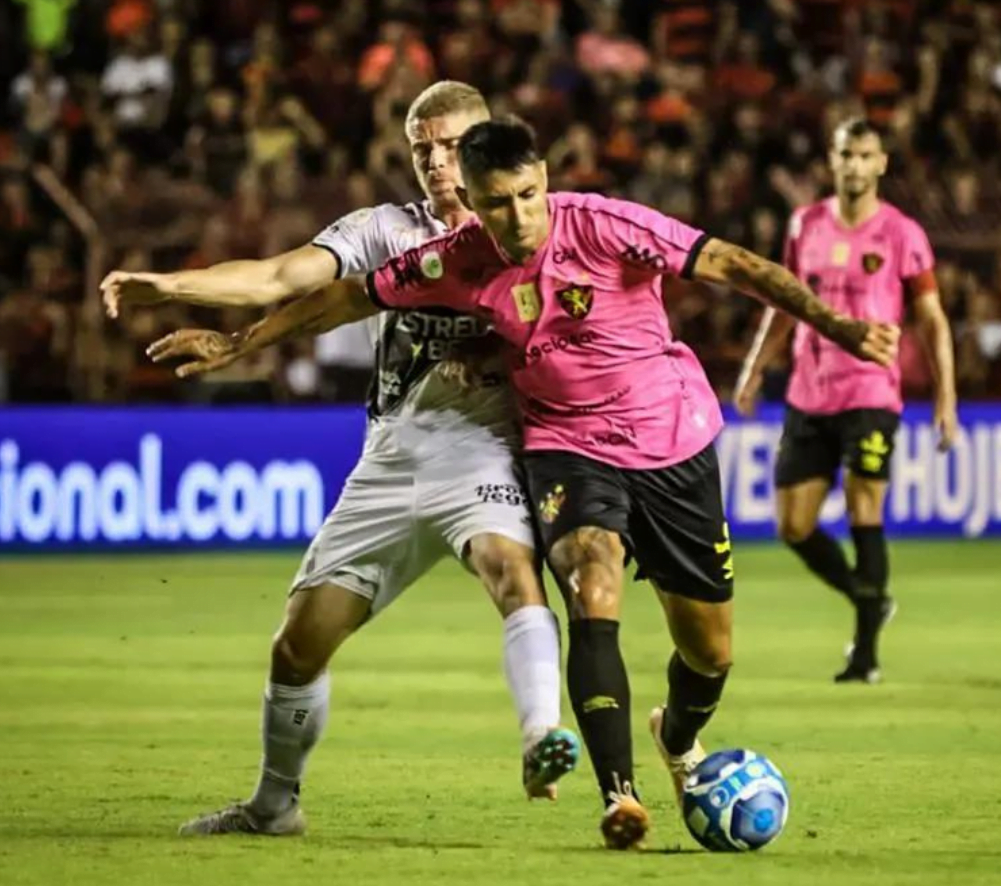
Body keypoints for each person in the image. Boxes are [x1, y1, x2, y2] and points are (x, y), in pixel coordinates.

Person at [167, 115, 898, 848]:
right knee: (589, 579)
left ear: (543, 178)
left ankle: (676, 736)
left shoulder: (606, 225)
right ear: (475, 202)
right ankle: (621, 798)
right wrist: (240, 342)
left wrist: (835, 327)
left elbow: (736, 264)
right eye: (495, 202)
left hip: (673, 441)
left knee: (710, 652)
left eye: (525, 195)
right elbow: (352, 296)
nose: (515, 216)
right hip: (566, 447)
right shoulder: (458, 257)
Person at [99, 83, 579, 837]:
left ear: (490, 146)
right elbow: (282, 276)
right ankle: (274, 805)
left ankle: (541, 735)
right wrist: (174, 288)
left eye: (452, 146)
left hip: (481, 448)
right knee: (298, 643)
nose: (435, 163)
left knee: (511, 571)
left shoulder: (540, 229)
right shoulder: (388, 230)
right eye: (422, 149)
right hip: (389, 458)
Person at [733, 117, 958, 683]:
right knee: (794, 525)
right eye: (845, 155)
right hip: (810, 392)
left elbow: (931, 320)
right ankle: (869, 597)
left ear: (882, 163)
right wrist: (755, 368)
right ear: (831, 162)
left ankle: (865, 653)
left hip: (871, 392)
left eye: (864, 155)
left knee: (865, 509)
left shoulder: (902, 234)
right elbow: (783, 304)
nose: (854, 165)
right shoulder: (804, 224)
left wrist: (946, 399)